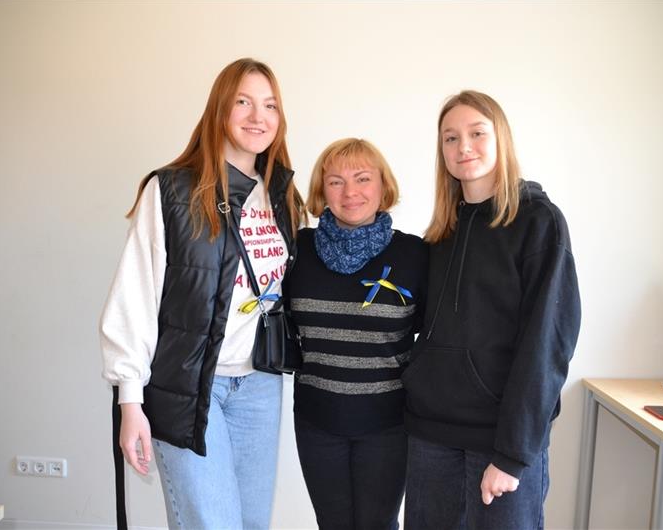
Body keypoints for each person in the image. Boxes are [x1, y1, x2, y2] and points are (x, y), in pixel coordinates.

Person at [99, 58, 306, 529]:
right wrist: (130, 401)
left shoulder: (282, 197)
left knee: (251, 524)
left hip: (259, 386)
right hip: (191, 387)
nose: (259, 116)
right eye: (244, 102)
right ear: (220, 110)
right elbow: (136, 296)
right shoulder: (172, 190)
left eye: (270, 105)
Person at [402, 91, 581, 529]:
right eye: (450, 138)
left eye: (476, 133)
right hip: (431, 438)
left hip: (500, 443)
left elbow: (547, 345)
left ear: (501, 138)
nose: (463, 147)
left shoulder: (539, 222)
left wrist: (513, 454)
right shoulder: (442, 233)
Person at [283, 138, 428, 530]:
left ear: (383, 186)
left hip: (388, 425)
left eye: (363, 178)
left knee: (378, 525)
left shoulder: (416, 255)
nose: (350, 192)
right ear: (321, 190)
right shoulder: (298, 250)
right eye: (336, 181)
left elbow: (431, 337)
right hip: (316, 421)